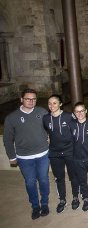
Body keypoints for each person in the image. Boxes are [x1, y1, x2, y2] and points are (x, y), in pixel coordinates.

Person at [3, 88, 50, 219]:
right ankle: (35, 206)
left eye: (34, 99)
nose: (31, 101)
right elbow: (7, 139)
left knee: (44, 180)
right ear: (21, 99)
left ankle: (44, 203)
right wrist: (11, 156)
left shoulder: (42, 112)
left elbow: (50, 127)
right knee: (30, 182)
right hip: (24, 157)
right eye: (28, 99)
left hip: (43, 154)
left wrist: (50, 136)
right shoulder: (12, 118)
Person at [43, 94, 80, 213]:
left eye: (54, 103)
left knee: (73, 176)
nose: (51, 105)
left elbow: (77, 128)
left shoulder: (69, 116)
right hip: (55, 153)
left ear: (60, 104)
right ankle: (62, 200)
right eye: (49, 103)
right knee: (59, 178)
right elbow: (47, 131)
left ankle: (75, 197)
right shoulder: (46, 118)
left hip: (70, 151)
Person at [69, 102, 88, 211]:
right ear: (74, 113)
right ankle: (86, 198)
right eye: (77, 111)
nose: (80, 113)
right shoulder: (71, 124)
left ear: (86, 111)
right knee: (82, 181)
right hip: (77, 159)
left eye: (82, 111)